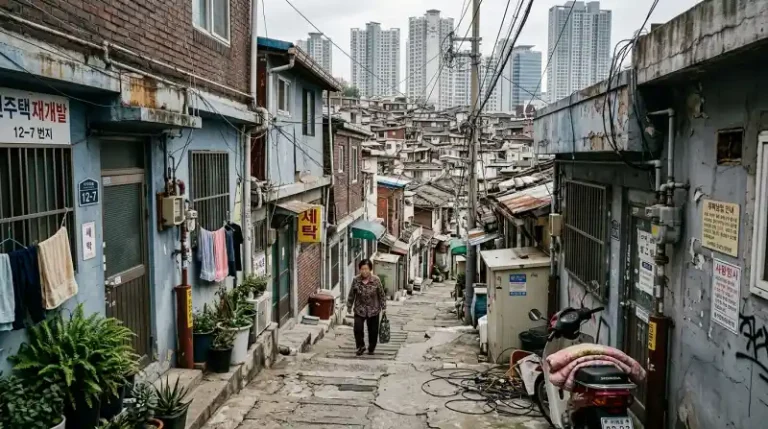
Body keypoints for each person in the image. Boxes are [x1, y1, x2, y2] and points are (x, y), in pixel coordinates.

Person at [346, 259, 387, 356]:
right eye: (362, 269)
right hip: (360, 309)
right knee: (357, 328)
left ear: (370, 270)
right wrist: (349, 305)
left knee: (373, 331)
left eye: (366, 269)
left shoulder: (376, 280)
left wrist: (384, 307)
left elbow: (381, 294)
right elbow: (352, 294)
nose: (364, 271)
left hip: (374, 309)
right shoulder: (356, 280)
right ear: (359, 269)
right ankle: (361, 346)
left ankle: (371, 347)